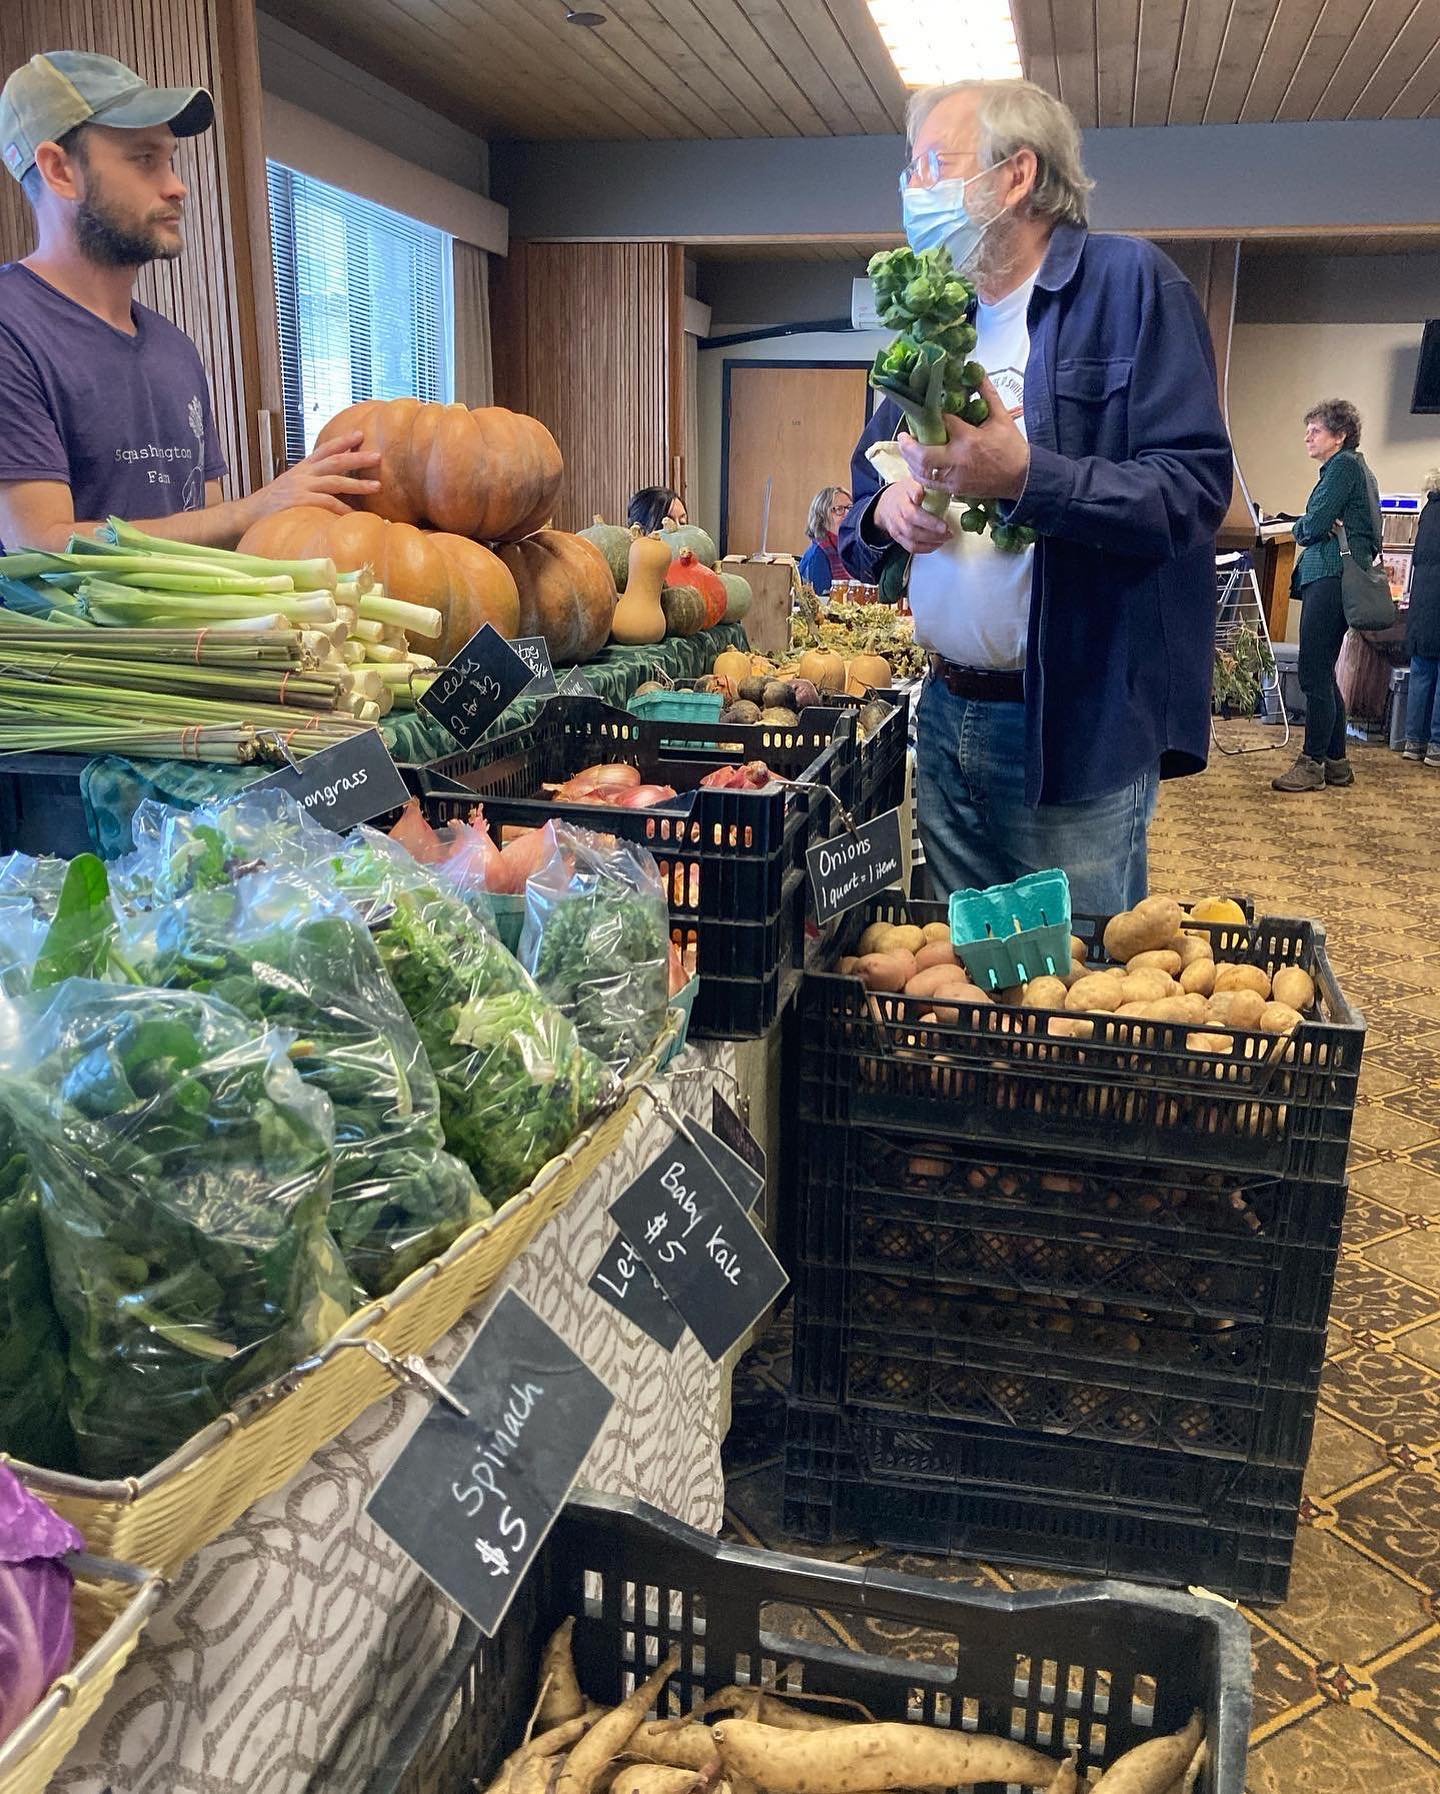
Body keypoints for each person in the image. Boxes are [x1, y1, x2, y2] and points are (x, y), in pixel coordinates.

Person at [838, 79, 1232, 915]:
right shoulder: (940, 315)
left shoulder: (1133, 287)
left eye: (934, 165)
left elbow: (1191, 495)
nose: (915, 190)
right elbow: (866, 489)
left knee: (1070, 996)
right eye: (910, 171)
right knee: (957, 982)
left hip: (1072, 727)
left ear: (1017, 175)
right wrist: (886, 511)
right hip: (944, 712)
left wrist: (1023, 477)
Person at [0, 51, 382, 553]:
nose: (177, 186)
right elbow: (39, 545)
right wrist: (255, 507)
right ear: (60, 170)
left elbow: (207, 533)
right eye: (144, 160)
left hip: (196, 636)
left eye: (171, 160)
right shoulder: (11, 327)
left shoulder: (175, 350)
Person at [1271, 400, 1381, 793]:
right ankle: (1336, 764)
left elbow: (1311, 525)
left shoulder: (1343, 467)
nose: (1307, 436)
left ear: (1340, 436)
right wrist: (1316, 523)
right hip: (1335, 577)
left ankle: (1312, 763)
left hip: (1330, 575)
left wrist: (1304, 525)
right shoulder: (1355, 469)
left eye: (1315, 430)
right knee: (1324, 673)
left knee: (1313, 672)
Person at [1402, 468, 1440, 765]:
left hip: (1422, 601)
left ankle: (1413, 742)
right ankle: (1437, 745)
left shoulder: (1428, 511)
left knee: (1421, 672)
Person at [798, 486, 852, 595]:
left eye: (850, 508)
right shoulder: (817, 556)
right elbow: (822, 606)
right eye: (839, 509)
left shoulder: (851, 550)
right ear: (821, 517)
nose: (848, 514)